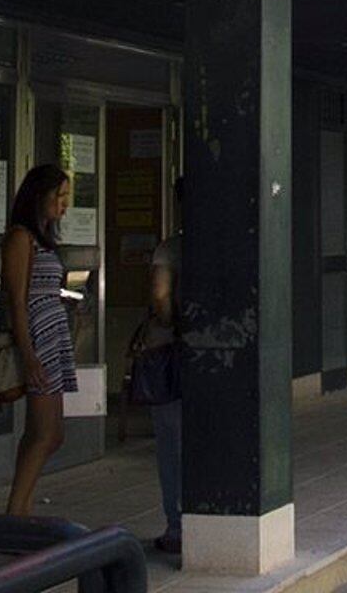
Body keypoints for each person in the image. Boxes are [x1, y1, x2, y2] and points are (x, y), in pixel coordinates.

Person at [2, 164, 77, 517]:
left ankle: (22, 508)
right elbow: (16, 299)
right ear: (39, 196)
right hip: (38, 338)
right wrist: (28, 353)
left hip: (53, 334)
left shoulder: (44, 239)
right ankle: (16, 513)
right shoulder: (21, 238)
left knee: (47, 433)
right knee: (46, 432)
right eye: (58, 196)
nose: (64, 205)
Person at [147, 182, 185, 554]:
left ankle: (176, 526)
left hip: (172, 354)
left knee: (172, 443)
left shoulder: (170, 248)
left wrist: (173, 323)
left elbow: (160, 297)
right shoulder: (227, 246)